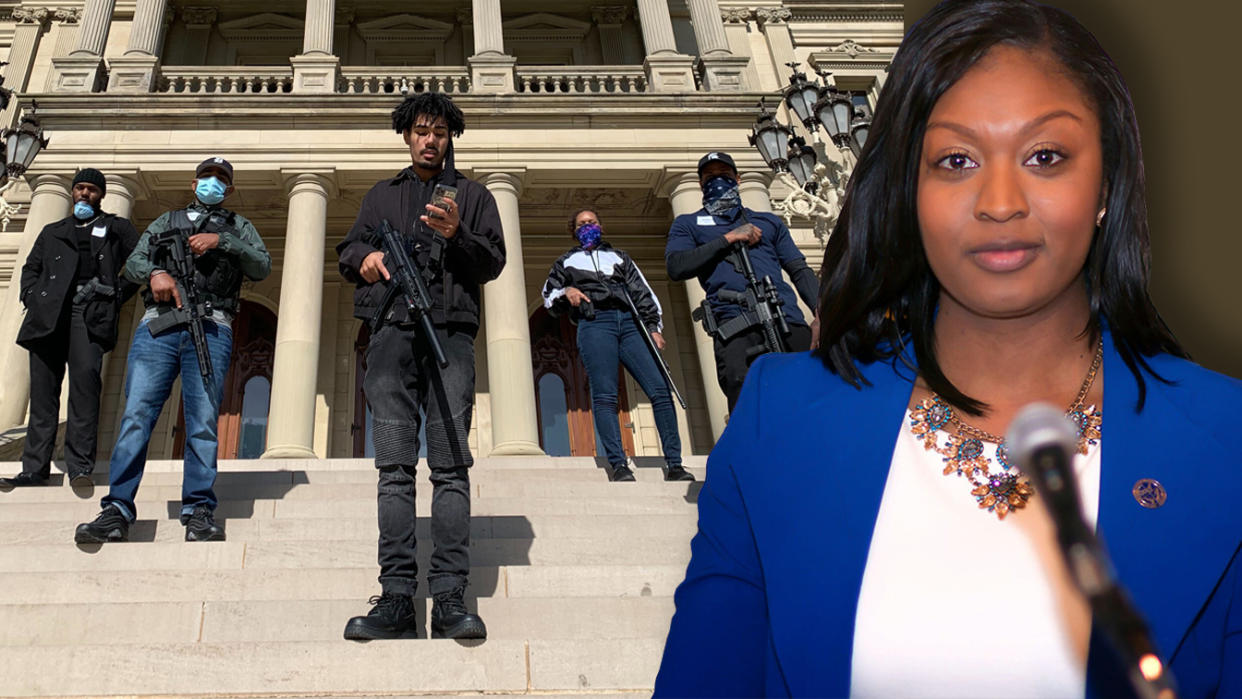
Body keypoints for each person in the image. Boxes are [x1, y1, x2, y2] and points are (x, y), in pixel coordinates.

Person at [655, 1, 1242, 697]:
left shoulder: (1224, 438)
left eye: (1045, 156)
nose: (1000, 202)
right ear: (909, 189)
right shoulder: (777, 420)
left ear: (1107, 184)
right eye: (956, 159)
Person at [337, 92, 504, 641]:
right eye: (421, 131)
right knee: (394, 468)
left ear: (450, 136)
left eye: (439, 132)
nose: (430, 140)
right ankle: (396, 597)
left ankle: (450, 595)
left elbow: (493, 262)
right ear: (407, 136)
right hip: (389, 335)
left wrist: (458, 235)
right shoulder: (381, 195)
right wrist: (364, 258)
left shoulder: (473, 196)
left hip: (450, 333)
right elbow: (349, 248)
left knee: (452, 465)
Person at [74, 157, 270, 544]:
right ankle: (117, 508)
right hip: (159, 325)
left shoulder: (238, 226)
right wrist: (155, 273)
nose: (212, 183)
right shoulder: (167, 220)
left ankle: (198, 509)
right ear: (194, 181)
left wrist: (223, 242)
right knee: (136, 416)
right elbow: (132, 263)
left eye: (221, 179)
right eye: (207, 177)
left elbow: (261, 265)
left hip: (211, 325)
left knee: (202, 422)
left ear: (229, 189)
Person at [1, 169, 138, 489]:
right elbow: (31, 268)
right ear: (73, 192)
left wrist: (117, 294)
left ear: (101, 194)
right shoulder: (52, 230)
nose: (84, 194)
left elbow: (141, 261)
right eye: (80, 188)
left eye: (91, 189)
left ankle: (79, 466)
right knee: (42, 395)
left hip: (89, 314)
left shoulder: (117, 228)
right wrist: (32, 297)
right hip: (49, 315)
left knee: (84, 389)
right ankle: (33, 469)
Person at [541, 209, 693, 483]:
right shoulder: (566, 261)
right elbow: (549, 297)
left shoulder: (621, 257)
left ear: (602, 226)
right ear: (573, 231)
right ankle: (619, 464)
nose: (588, 226)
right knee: (605, 395)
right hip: (596, 323)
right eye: (582, 224)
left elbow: (643, 292)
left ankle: (675, 463)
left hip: (631, 323)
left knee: (660, 390)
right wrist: (567, 292)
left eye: (593, 222)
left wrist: (654, 328)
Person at [665, 152, 819, 412]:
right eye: (710, 177)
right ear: (701, 184)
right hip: (734, 326)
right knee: (745, 400)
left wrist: (821, 312)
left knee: (810, 395)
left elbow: (799, 269)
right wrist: (729, 238)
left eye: (724, 176)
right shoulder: (688, 224)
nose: (717, 181)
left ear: (737, 179)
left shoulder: (768, 221)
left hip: (786, 320)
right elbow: (677, 266)